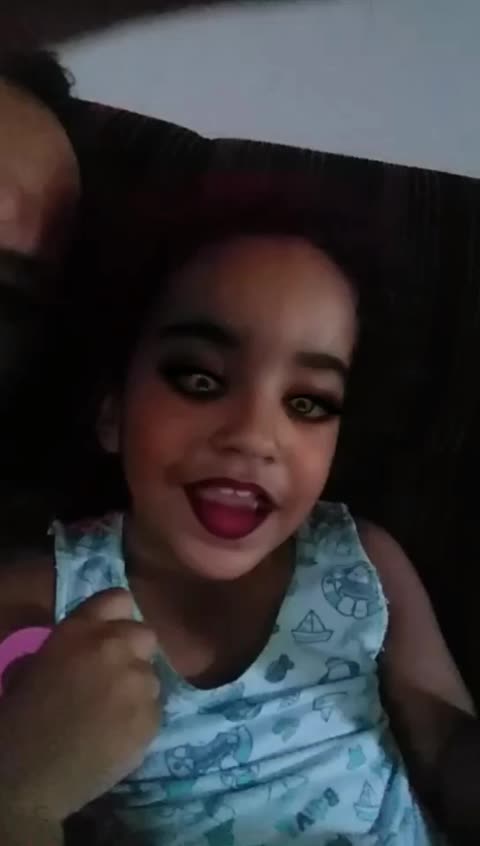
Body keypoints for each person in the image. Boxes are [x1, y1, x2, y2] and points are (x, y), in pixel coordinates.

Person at [0, 205, 477, 846]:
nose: (255, 436)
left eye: (307, 402)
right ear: (112, 410)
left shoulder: (362, 558)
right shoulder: (38, 604)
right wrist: (22, 798)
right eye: (200, 379)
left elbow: (443, 738)